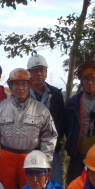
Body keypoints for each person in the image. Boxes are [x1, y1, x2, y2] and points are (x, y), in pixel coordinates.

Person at [0, 68, 57, 189]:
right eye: (16, 84)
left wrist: (45, 163)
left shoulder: (41, 110)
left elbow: (49, 137)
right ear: (10, 86)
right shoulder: (0, 109)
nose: (20, 88)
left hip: (31, 158)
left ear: (30, 86)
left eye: (24, 84)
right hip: (6, 158)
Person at [64, 61, 95, 184]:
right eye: (86, 79)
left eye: (93, 79)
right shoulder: (73, 103)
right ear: (82, 82)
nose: (90, 83)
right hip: (78, 151)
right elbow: (67, 125)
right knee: (74, 183)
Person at [27, 54, 66, 182]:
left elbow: (61, 122)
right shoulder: (23, 94)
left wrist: (51, 142)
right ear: (30, 73)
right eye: (35, 71)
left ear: (46, 72)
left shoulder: (55, 94)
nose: (39, 74)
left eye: (42, 70)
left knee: (53, 185)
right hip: (28, 150)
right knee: (30, 185)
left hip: (52, 150)